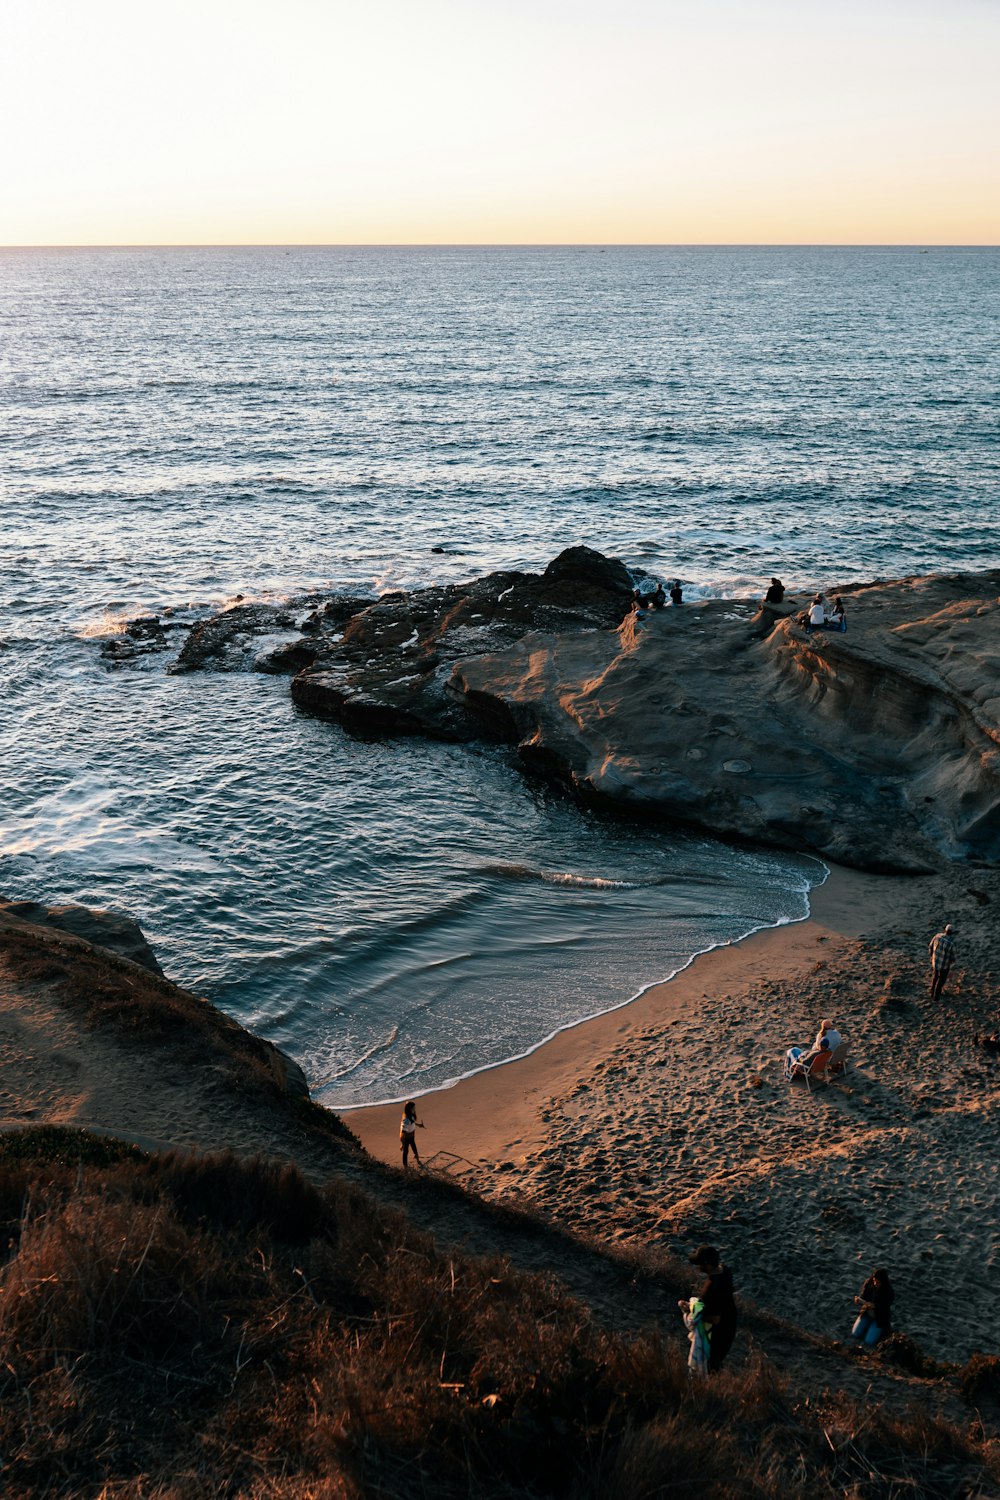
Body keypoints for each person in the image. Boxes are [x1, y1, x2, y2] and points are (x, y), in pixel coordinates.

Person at [689, 1245, 738, 1371]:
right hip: (731, 1320)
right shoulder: (725, 1270)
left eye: (699, 1263)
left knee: (711, 1365)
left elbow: (714, 1319)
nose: (698, 1267)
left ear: (707, 1264)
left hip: (720, 1332)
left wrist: (691, 1312)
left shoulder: (712, 1288)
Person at [852, 1267, 894, 1346]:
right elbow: (863, 1296)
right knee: (855, 1334)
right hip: (867, 1313)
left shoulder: (889, 1293)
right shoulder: (869, 1283)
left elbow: (884, 1306)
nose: (875, 1284)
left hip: (879, 1318)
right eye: (875, 1281)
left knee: (869, 1341)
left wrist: (874, 1305)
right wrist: (859, 1300)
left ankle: (879, 1330)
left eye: (878, 1282)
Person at [678, 1295, 711, 1376]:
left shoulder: (693, 1302)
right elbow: (691, 1323)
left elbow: (698, 1304)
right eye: (682, 1306)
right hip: (703, 1333)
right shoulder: (688, 1316)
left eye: (684, 1304)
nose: (684, 1306)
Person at [929, 923, 956, 1001]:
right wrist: (951, 963)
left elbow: (930, 947)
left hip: (935, 961)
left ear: (945, 930)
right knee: (941, 980)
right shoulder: (951, 943)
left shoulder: (937, 936)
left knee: (935, 976)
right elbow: (952, 957)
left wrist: (932, 957)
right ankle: (936, 996)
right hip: (944, 965)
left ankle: (932, 990)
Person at [399, 1100, 425, 1168]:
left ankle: (418, 1159)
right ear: (409, 1109)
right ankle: (405, 1166)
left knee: (414, 1148)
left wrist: (419, 1125)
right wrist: (402, 1143)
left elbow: (412, 1122)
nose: (415, 1109)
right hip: (406, 1138)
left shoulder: (411, 1115)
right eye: (413, 1108)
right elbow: (403, 1132)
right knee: (406, 1152)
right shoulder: (406, 1120)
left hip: (412, 1135)